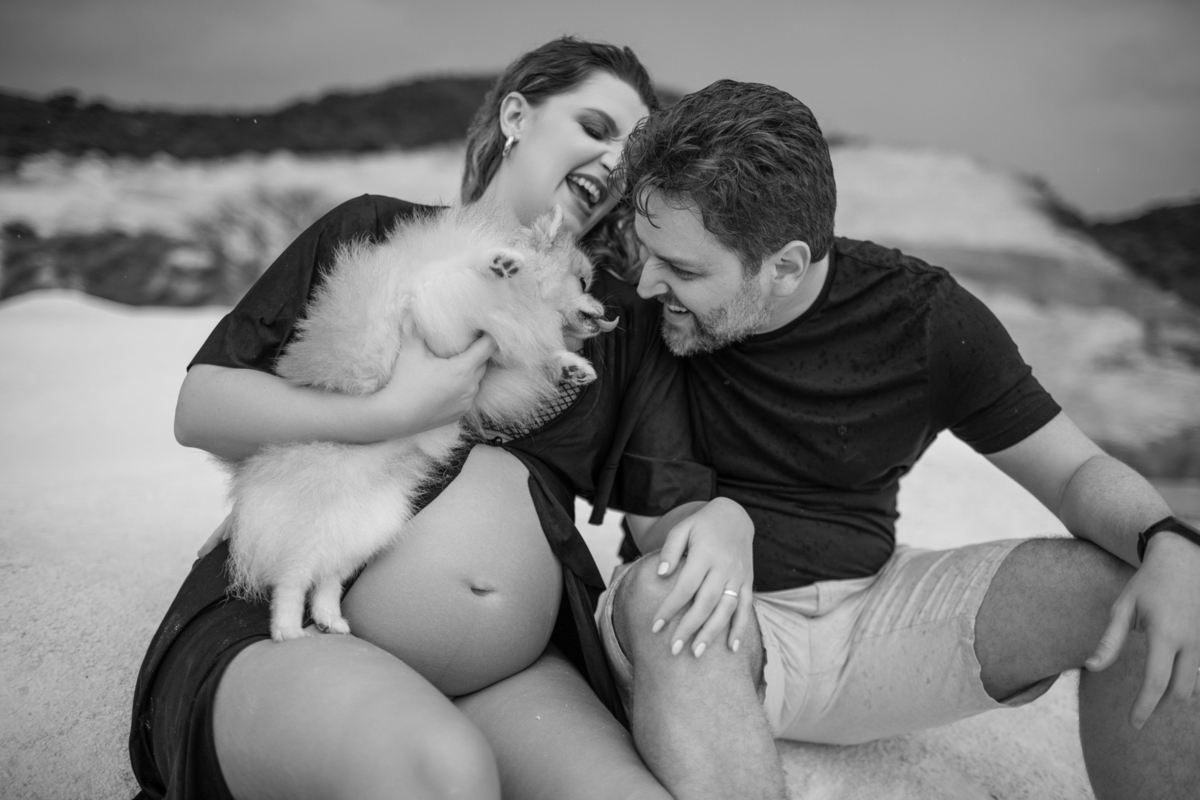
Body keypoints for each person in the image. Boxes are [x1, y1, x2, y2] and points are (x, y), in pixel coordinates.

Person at [129, 38, 722, 800]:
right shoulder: (372, 230)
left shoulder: (612, 318)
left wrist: (725, 521)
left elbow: (661, 513)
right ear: (517, 116)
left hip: (510, 677)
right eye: (596, 127)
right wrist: (392, 410)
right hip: (304, 627)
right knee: (444, 776)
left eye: (630, 151)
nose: (613, 161)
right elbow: (201, 407)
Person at [599, 79, 1200, 800]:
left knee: (1144, 592)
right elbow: (652, 511)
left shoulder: (921, 317)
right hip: (715, 623)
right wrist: (724, 523)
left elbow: (1073, 474)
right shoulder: (640, 310)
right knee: (663, 594)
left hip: (876, 614)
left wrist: (1167, 540)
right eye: (648, 253)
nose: (646, 285)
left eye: (686, 269)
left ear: (786, 266)